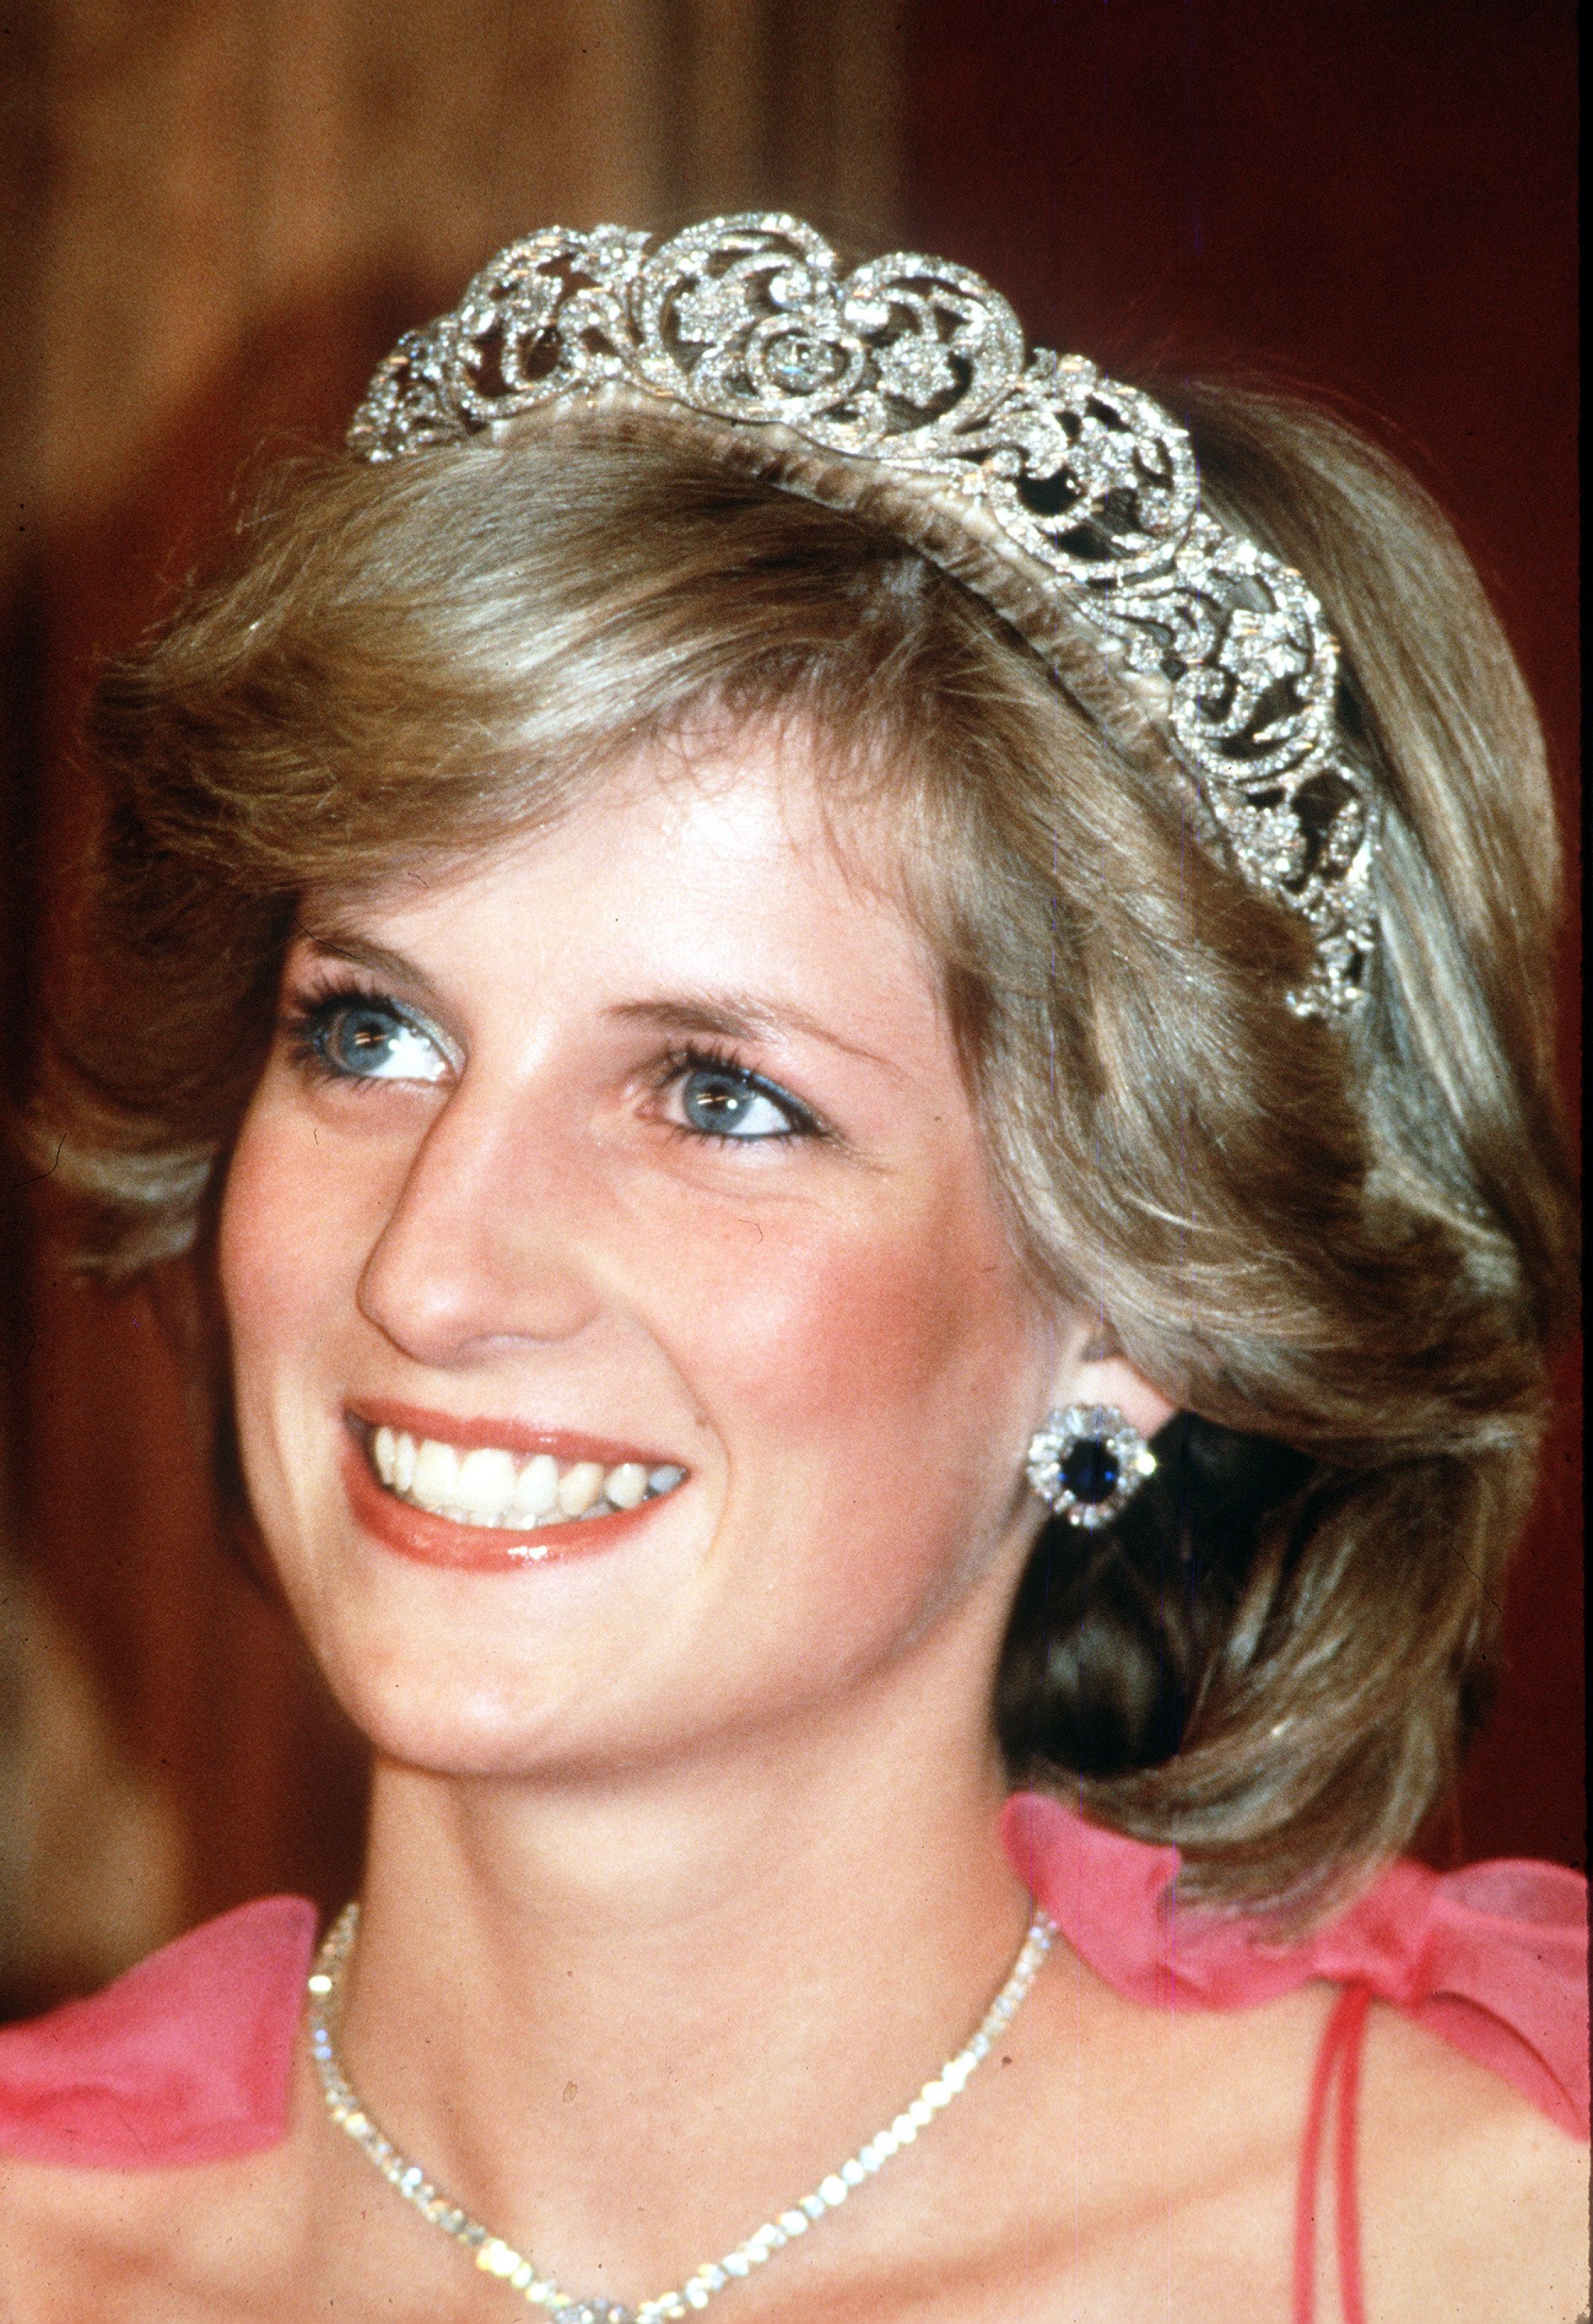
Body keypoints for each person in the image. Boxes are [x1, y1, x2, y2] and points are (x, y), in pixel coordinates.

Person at [0, 217, 1584, 2323]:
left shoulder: (1483, 2251)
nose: (435, 1267)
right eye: (367, 1031)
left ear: (1134, 1312)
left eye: (718, 1098)